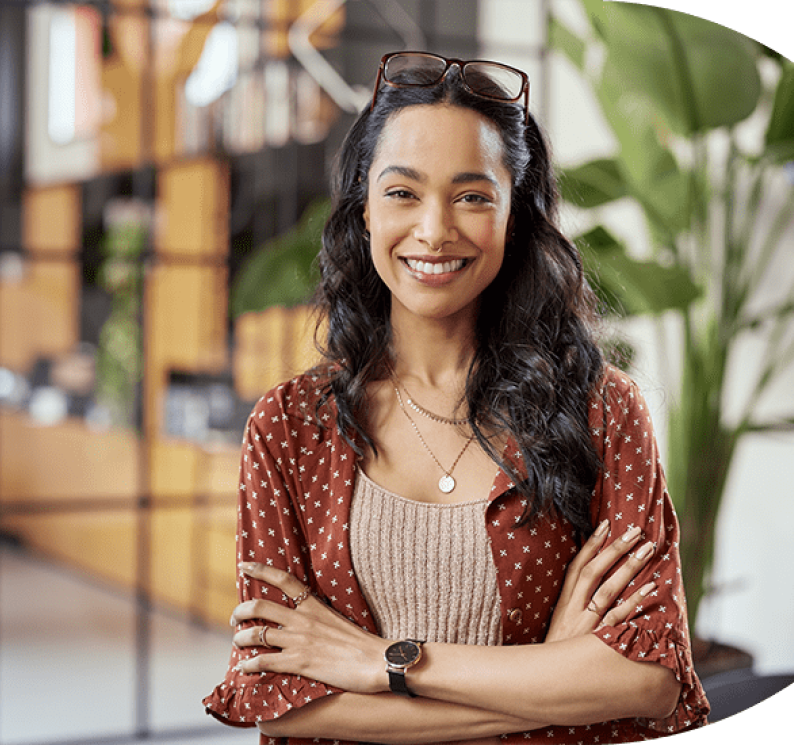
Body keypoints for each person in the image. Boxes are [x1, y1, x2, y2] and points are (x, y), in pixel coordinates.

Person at [203, 51, 709, 744]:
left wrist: (383, 661)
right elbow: (276, 694)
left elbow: (649, 678)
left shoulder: (601, 410)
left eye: (472, 196)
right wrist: (552, 680)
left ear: (514, 215)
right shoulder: (290, 426)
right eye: (402, 193)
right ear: (363, 209)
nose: (435, 230)